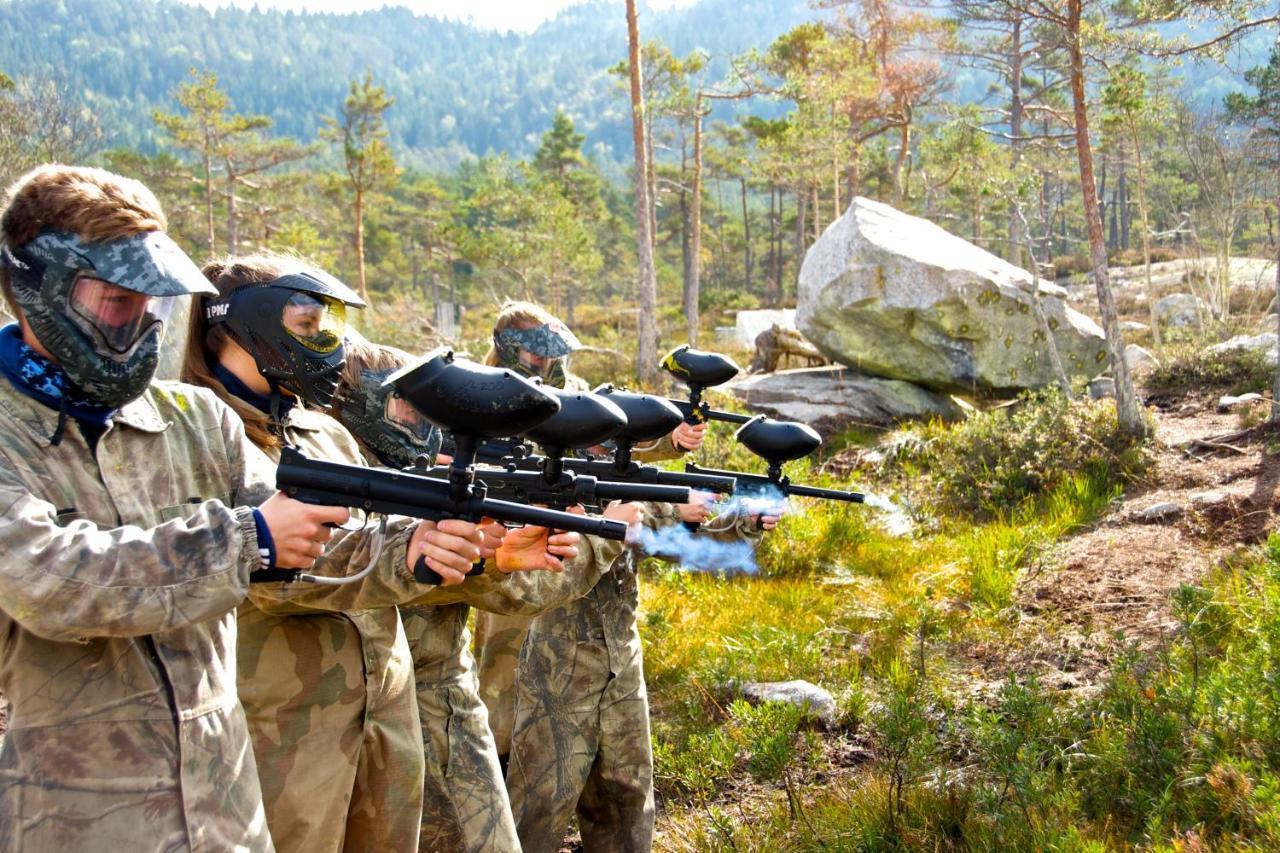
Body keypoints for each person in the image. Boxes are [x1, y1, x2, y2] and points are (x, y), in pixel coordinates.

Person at [0, 164, 356, 850]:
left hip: (226, 812)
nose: (137, 321)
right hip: (78, 818)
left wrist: (434, 545)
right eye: (115, 300)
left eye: (150, 301)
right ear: (36, 286)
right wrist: (244, 542)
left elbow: (304, 527)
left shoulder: (195, 420)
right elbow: (47, 579)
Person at [182, 252, 534, 853]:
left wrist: (478, 552)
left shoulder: (325, 431)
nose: (327, 344)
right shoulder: (198, 429)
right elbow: (272, 567)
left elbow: (390, 544)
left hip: (387, 714)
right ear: (242, 324)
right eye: (307, 325)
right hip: (282, 727)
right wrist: (409, 551)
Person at [331, 337, 644, 853]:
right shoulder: (349, 490)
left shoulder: (411, 481)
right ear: (361, 405)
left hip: (427, 719)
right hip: (409, 721)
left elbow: (508, 581)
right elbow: (514, 594)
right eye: (405, 405)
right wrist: (594, 540)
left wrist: (500, 553)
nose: (421, 422)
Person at [472, 300, 709, 768]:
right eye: (535, 356)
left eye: (551, 356)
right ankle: (499, 758)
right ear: (507, 349)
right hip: (510, 544)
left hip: (570, 546)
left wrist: (669, 440)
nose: (545, 365)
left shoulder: (572, 392)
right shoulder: (483, 396)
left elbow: (606, 444)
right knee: (504, 668)